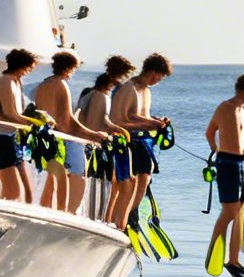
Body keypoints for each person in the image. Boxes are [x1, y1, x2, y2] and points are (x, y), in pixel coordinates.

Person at [33, 52, 113, 211]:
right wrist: (94, 135)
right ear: (69, 67)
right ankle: (68, 213)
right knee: (77, 176)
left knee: (50, 181)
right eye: (74, 68)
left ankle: (48, 211)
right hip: (61, 140)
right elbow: (67, 121)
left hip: (45, 139)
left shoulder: (42, 86)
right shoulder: (61, 85)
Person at [106, 53, 172, 234]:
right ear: (153, 71)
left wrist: (157, 121)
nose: (159, 80)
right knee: (127, 183)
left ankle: (129, 215)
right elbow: (123, 118)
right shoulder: (130, 88)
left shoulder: (146, 91)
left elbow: (144, 115)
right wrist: (152, 124)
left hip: (143, 140)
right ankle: (119, 219)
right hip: (128, 140)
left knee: (145, 177)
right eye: (160, 75)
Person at [205, 73, 244, 270]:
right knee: (229, 212)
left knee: (238, 212)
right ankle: (214, 251)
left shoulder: (241, 110)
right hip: (227, 164)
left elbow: (238, 142)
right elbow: (210, 131)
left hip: (240, 163)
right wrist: (215, 149)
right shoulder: (226, 107)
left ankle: (234, 260)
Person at [0, 48, 37, 203]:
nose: (29, 71)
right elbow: (9, 113)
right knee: (13, 190)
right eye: (29, 68)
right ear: (21, 66)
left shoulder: (14, 82)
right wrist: (34, 124)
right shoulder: (5, 82)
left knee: (28, 192)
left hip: (12, 138)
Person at [73, 63, 127, 216]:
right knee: (108, 181)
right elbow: (100, 121)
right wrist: (120, 130)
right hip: (95, 143)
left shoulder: (88, 94)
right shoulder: (100, 96)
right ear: (107, 85)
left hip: (86, 141)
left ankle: (98, 214)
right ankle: (100, 215)